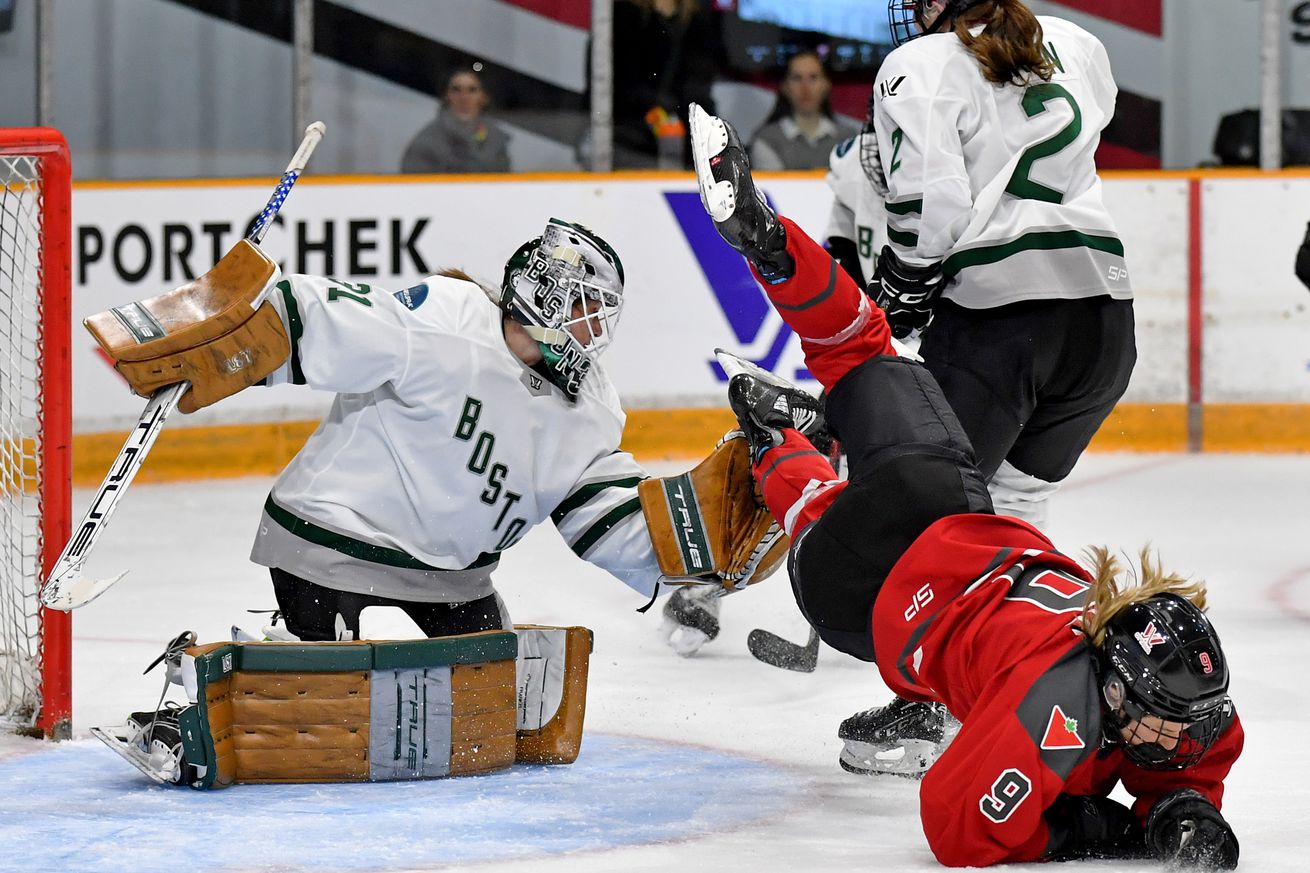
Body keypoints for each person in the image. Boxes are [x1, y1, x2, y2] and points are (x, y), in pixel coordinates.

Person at [688, 102, 1243, 869]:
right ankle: (772, 441)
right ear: (1113, 689)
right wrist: (1106, 827)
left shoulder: (1182, 697)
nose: (1183, 737)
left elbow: (1186, 758)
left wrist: (1182, 806)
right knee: (818, 509)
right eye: (1165, 720)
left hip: (948, 503)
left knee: (861, 348)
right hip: (875, 601)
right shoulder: (1058, 711)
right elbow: (955, 826)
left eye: (1187, 721)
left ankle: (771, 246)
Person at [820, 0, 1140, 773]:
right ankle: (1050, 689)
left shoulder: (921, 64)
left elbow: (935, 208)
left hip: (1004, 322)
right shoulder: (1075, 41)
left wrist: (899, 290)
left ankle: (929, 709)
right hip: (1104, 321)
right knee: (1016, 508)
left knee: (932, 524)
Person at [610, 0, 718, 169]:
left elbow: (699, 85)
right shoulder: (625, 15)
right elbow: (618, 85)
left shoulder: (696, 20)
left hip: (683, 136)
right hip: (630, 138)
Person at [749, 50, 859, 171]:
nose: (805, 87)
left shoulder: (849, 140)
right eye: (797, 78)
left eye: (813, 78)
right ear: (785, 86)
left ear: (826, 84)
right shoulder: (766, 140)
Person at [401, 66, 511, 174]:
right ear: (446, 96)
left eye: (472, 90)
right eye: (456, 90)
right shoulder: (426, 142)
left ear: (484, 97)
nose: (464, 97)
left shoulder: (495, 141)